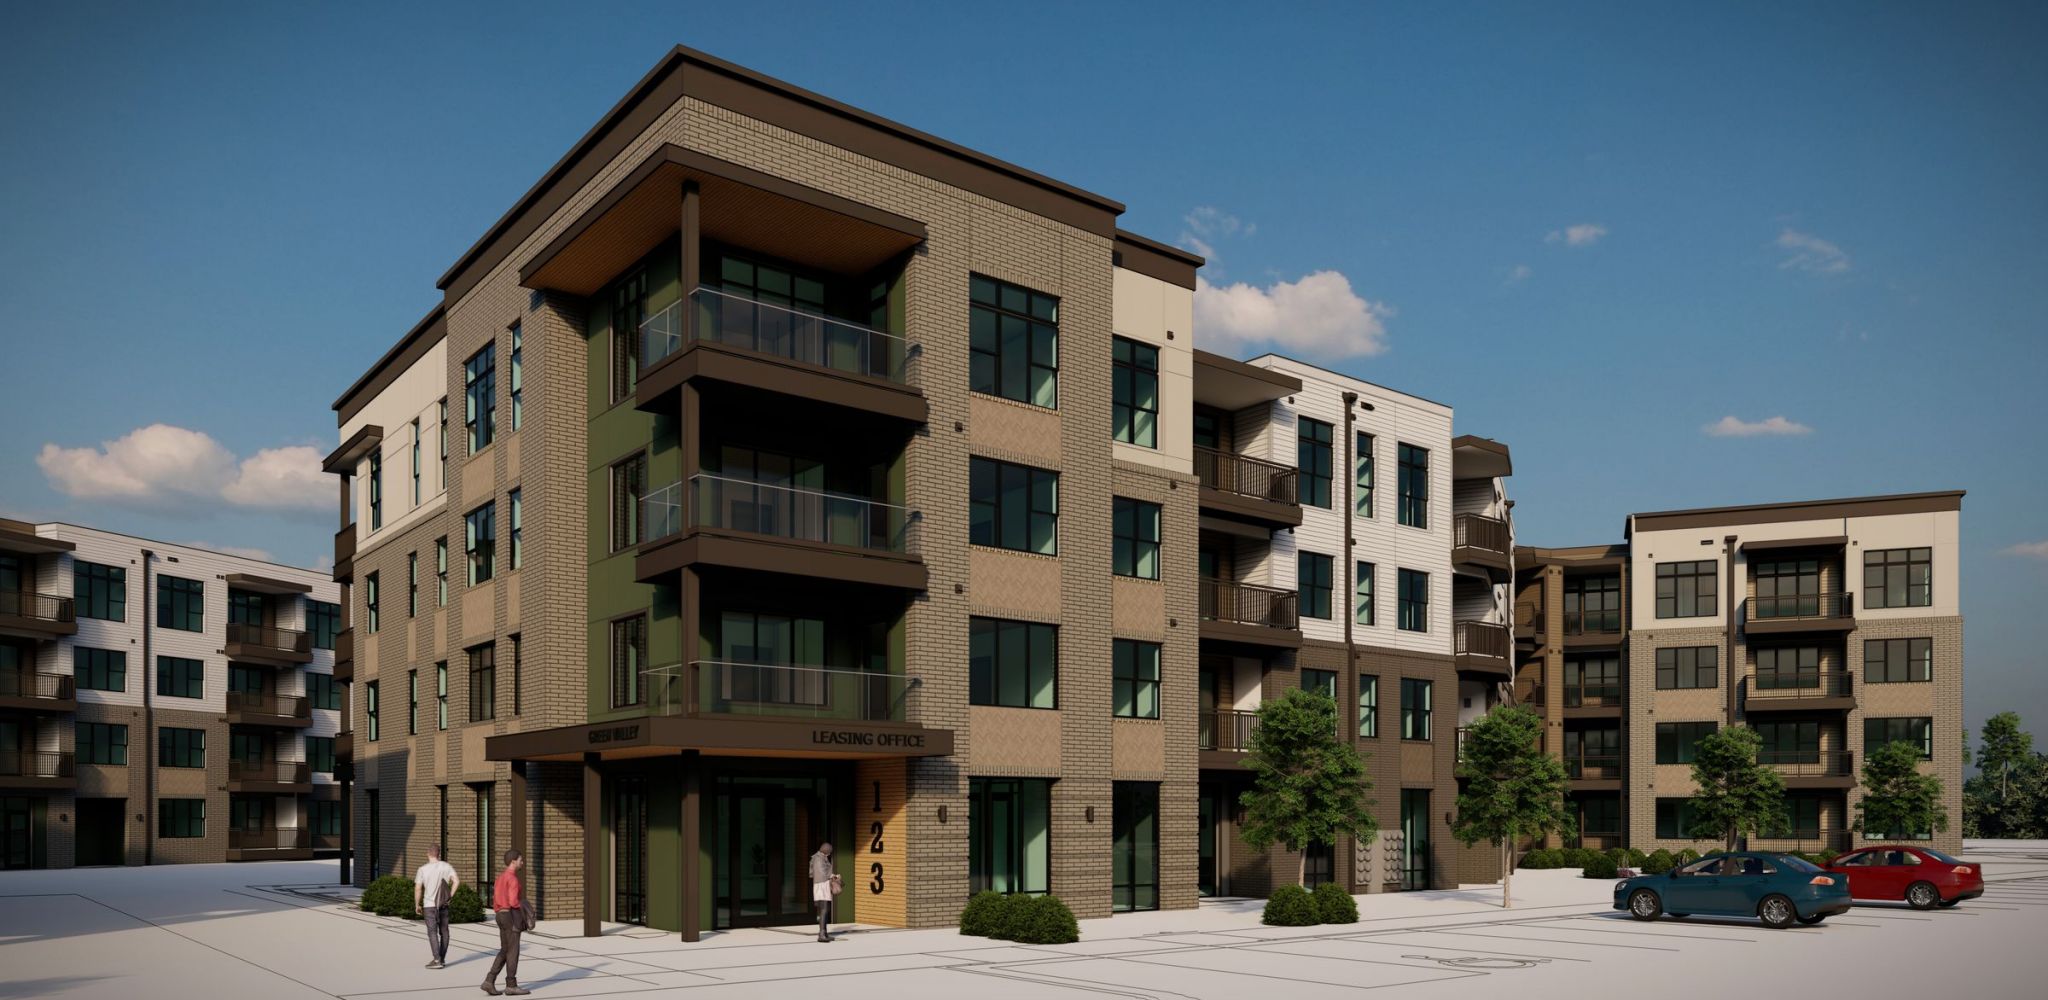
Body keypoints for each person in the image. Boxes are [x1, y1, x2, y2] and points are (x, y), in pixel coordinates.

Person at [483, 849, 530, 996]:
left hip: (500, 915)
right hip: (510, 916)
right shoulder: (513, 879)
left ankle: (489, 981)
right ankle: (511, 985)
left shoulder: (500, 878)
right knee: (513, 951)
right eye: (521, 860)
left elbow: (496, 901)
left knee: (505, 950)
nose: (522, 862)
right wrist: (524, 908)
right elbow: (513, 901)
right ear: (513, 861)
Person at [413, 844, 459, 969]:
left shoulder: (422, 869)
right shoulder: (446, 866)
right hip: (443, 904)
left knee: (432, 932)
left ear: (428, 854)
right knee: (445, 932)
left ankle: (437, 960)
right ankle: (442, 959)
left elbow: (418, 888)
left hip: (429, 905)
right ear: (439, 854)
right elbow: (456, 881)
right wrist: (450, 896)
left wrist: (417, 904)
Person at [809, 841, 839, 943]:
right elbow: (821, 873)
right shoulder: (818, 859)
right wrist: (832, 876)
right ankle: (821, 934)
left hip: (822, 885)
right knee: (823, 910)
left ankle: (824, 933)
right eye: (830, 851)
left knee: (825, 910)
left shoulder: (820, 857)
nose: (830, 853)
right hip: (821, 886)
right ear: (827, 851)